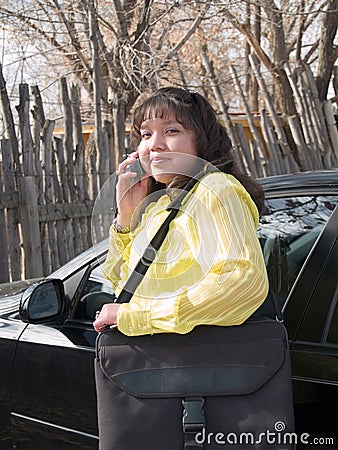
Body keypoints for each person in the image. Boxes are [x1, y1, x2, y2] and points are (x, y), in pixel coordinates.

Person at [93, 87, 269, 336]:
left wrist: (137, 316)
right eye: (146, 134)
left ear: (201, 140)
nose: (155, 144)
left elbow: (243, 282)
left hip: (196, 360)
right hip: (155, 360)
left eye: (171, 130)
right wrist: (126, 217)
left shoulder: (215, 188)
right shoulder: (161, 205)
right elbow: (121, 281)